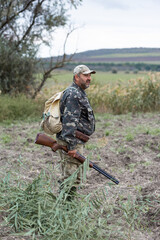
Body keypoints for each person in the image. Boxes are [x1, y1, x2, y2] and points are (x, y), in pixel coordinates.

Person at [56, 65, 96, 199]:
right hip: (72, 142)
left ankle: (68, 207)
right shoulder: (74, 93)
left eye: (90, 75)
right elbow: (69, 122)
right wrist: (71, 147)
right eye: (85, 75)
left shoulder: (78, 92)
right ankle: (64, 209)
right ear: (76, 77)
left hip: (76, 141)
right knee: (70, 177)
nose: (89, 78)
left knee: (75, 177)